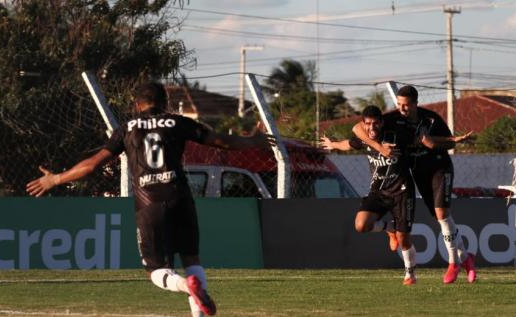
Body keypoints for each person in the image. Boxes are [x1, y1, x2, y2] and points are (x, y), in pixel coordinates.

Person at [26, 82, 274, 316]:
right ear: (165, 103)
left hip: (149, 203)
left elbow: (91, 165)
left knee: (156, 271)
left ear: (137, 105)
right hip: (180, 197)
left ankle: (187, 287)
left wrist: (55, 179)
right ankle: (197, 301)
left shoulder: (126, 129)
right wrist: (254, 140)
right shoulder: (178, 122)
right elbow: (222, 141)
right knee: (191, 258)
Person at [352, 85, 475, 284]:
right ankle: (467, 258)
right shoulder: (394, 119)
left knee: (442, 214)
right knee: (438, 216)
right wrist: (378, 147)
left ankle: (454, 263)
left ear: (416, 104)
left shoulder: (431, 118)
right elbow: (358, 128)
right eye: (399, 104)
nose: (402, 109)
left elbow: (449, 142)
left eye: (406, 105)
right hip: (418, 172)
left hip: (438, 168)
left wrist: (434, 143)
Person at [321, 106, 418, 285]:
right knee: (361, 225)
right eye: (368, 124)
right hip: (379, 191)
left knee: (404, 238)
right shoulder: (365, 138)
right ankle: (388, 228)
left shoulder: (395, 135)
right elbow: (349, 143)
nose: (371, 128)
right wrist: (333, 144)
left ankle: (410, 273)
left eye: (375, 124)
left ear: (381, 123)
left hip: (402, 191)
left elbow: (418, 139)